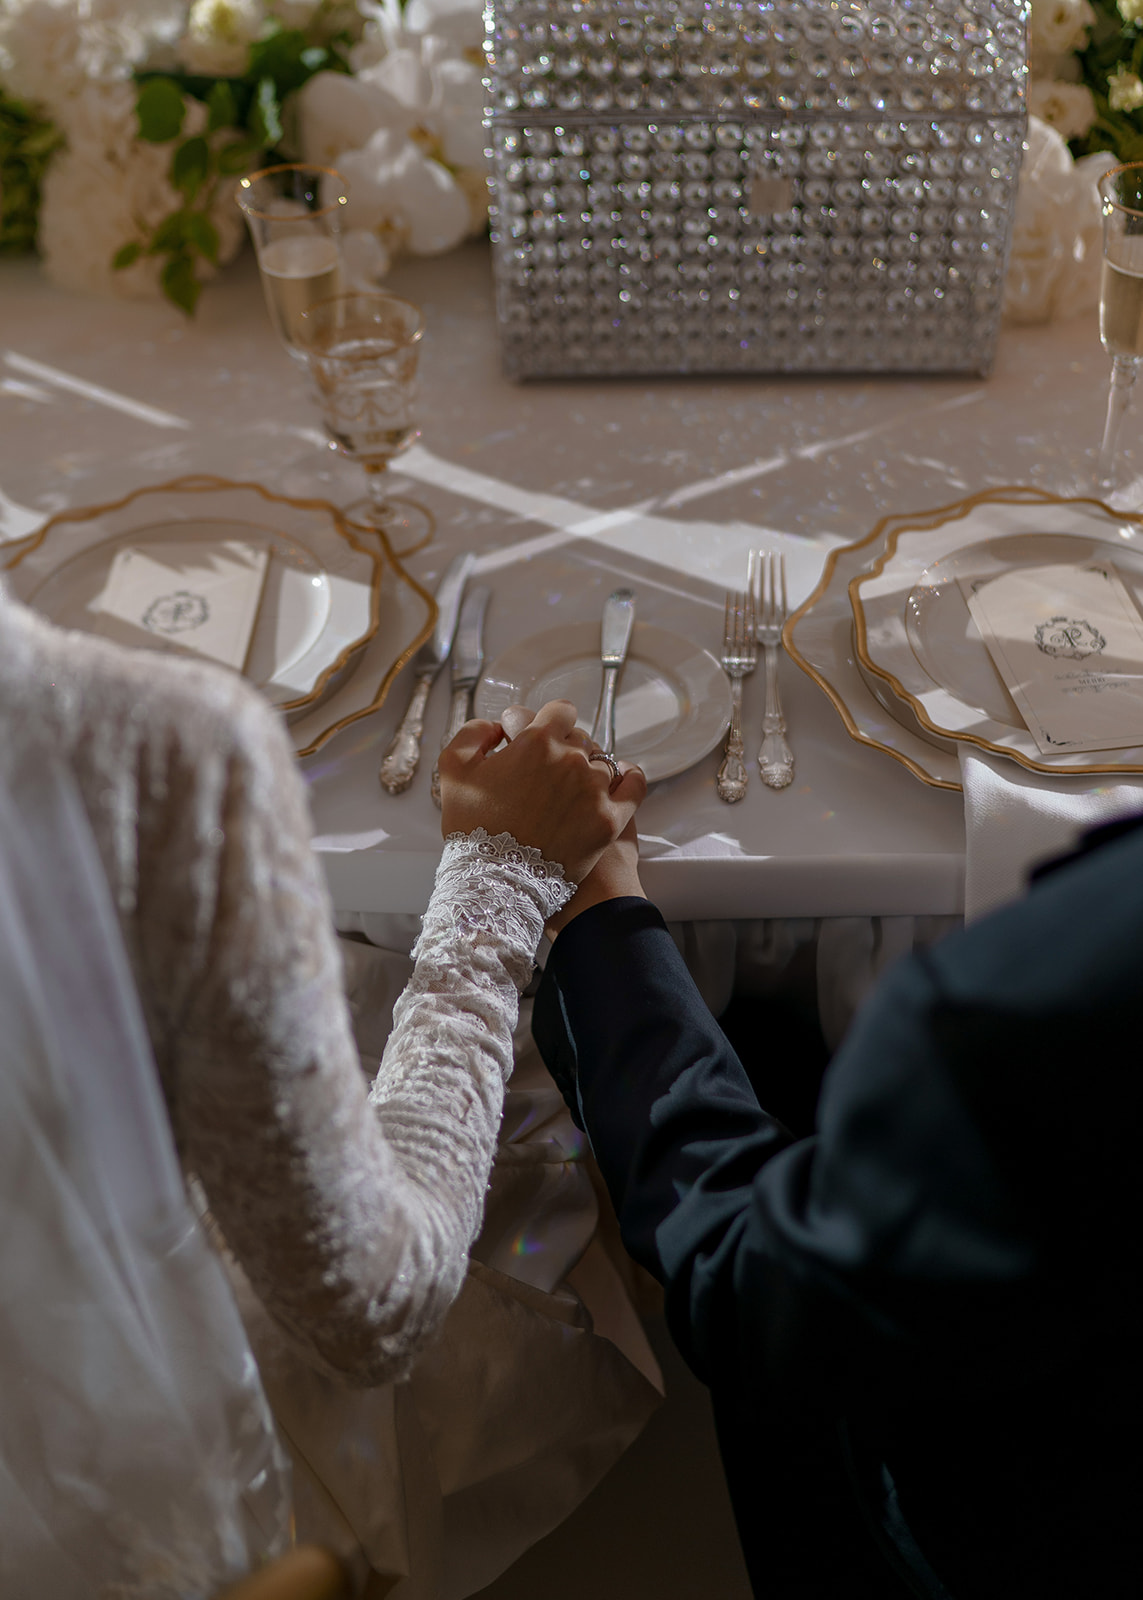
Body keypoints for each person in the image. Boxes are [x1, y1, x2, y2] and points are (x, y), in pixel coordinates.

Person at [0, 584, 656, 1593]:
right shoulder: (155, 750)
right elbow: (378, 1308)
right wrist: (497, 877)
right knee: (526, 1084)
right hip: (132, 1464)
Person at [530, 786, 1142, 1597]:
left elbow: (747, 1282)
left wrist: (598, 912)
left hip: (978, 1524)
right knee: (773, 1046)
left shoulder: (1005, 1022)